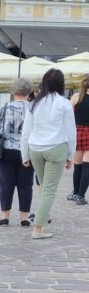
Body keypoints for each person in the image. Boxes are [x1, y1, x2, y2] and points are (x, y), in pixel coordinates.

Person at [21, 68, 76, 239]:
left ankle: (42, 224)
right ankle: (38, 228)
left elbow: (26, 132)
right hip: (56, 147)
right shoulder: (64, 103)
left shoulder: (34, 103)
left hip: (35, 148)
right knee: (49, 189)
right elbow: (71, 132)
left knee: (45, 187)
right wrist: (70, 155)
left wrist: (24, 155)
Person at [0, 79, 35, 227]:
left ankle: (5, 216)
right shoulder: (33, 108)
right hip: (27, 151)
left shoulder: (4, 107)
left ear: (13, 92)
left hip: (7, 150)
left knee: (6, 184)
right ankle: (24, 217)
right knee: (26, 185)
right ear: (29, 92)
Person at [68, 75, 89, 206]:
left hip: (77, 132)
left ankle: (75, 193)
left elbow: (67, 115)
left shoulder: (76, 97)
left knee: (78, 166)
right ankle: (80, 196)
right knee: (87, 166)